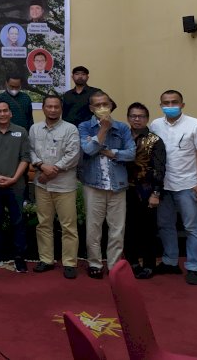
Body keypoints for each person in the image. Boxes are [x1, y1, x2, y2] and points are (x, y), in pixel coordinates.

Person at [150, 90, 197, 285]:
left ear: (182, 104)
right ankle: (170, 261)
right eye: (166, 103)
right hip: (164, 186)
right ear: (160, 105)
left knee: (192, 227)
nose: (170, 105)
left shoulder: (195, 124)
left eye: (174, 102)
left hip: (188, 184)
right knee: (165, 225)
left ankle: (194, 267)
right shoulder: (155, 125)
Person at [78, 91, 135, 279]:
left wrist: (112, 153)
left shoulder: (122, 128)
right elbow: (87, 150)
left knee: (117, 229)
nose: (102, 108)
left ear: (111, 104)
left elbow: (131, 153)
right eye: (97, 105)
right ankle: (94, 263)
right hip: (93, 185)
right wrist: (102, 130)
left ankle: (114, 265)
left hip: (117, 184)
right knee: (93, 228)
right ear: (91, 108)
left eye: (105, 104)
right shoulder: (85, 127)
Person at [29, 95, 81, 279]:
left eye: (56, 107)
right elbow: (31, 151)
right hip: (42, 185)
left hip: (64, 186)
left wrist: (53, 170)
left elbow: (73, 154)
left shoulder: (70, 129)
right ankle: (46, 260)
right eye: (49, 106)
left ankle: (69, 262)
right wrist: (42, 166)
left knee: (68, 226)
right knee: (43, 224)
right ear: (43, 108)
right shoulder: (35, 129)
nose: (52, 110)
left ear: (61, 109)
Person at [0, 100, 32, 272]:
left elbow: (25, 158)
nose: (2, 114)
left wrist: (14, 179)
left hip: (16, 185)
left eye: (5, 111)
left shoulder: (21, 131)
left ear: (10, 113)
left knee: (18, 222)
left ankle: (19, 259)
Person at [125, 102, 165, 279]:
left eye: (141, 116)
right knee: (129, 228)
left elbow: (159, 168)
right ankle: (132, 262)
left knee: (148, 229)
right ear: (128, 118)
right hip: (124, 189)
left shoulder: (155, 140)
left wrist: (156, 193)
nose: (137, 119)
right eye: (133, 116)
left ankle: (149, 264)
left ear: (147, 119)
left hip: (147, 190)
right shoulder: (122, 136)